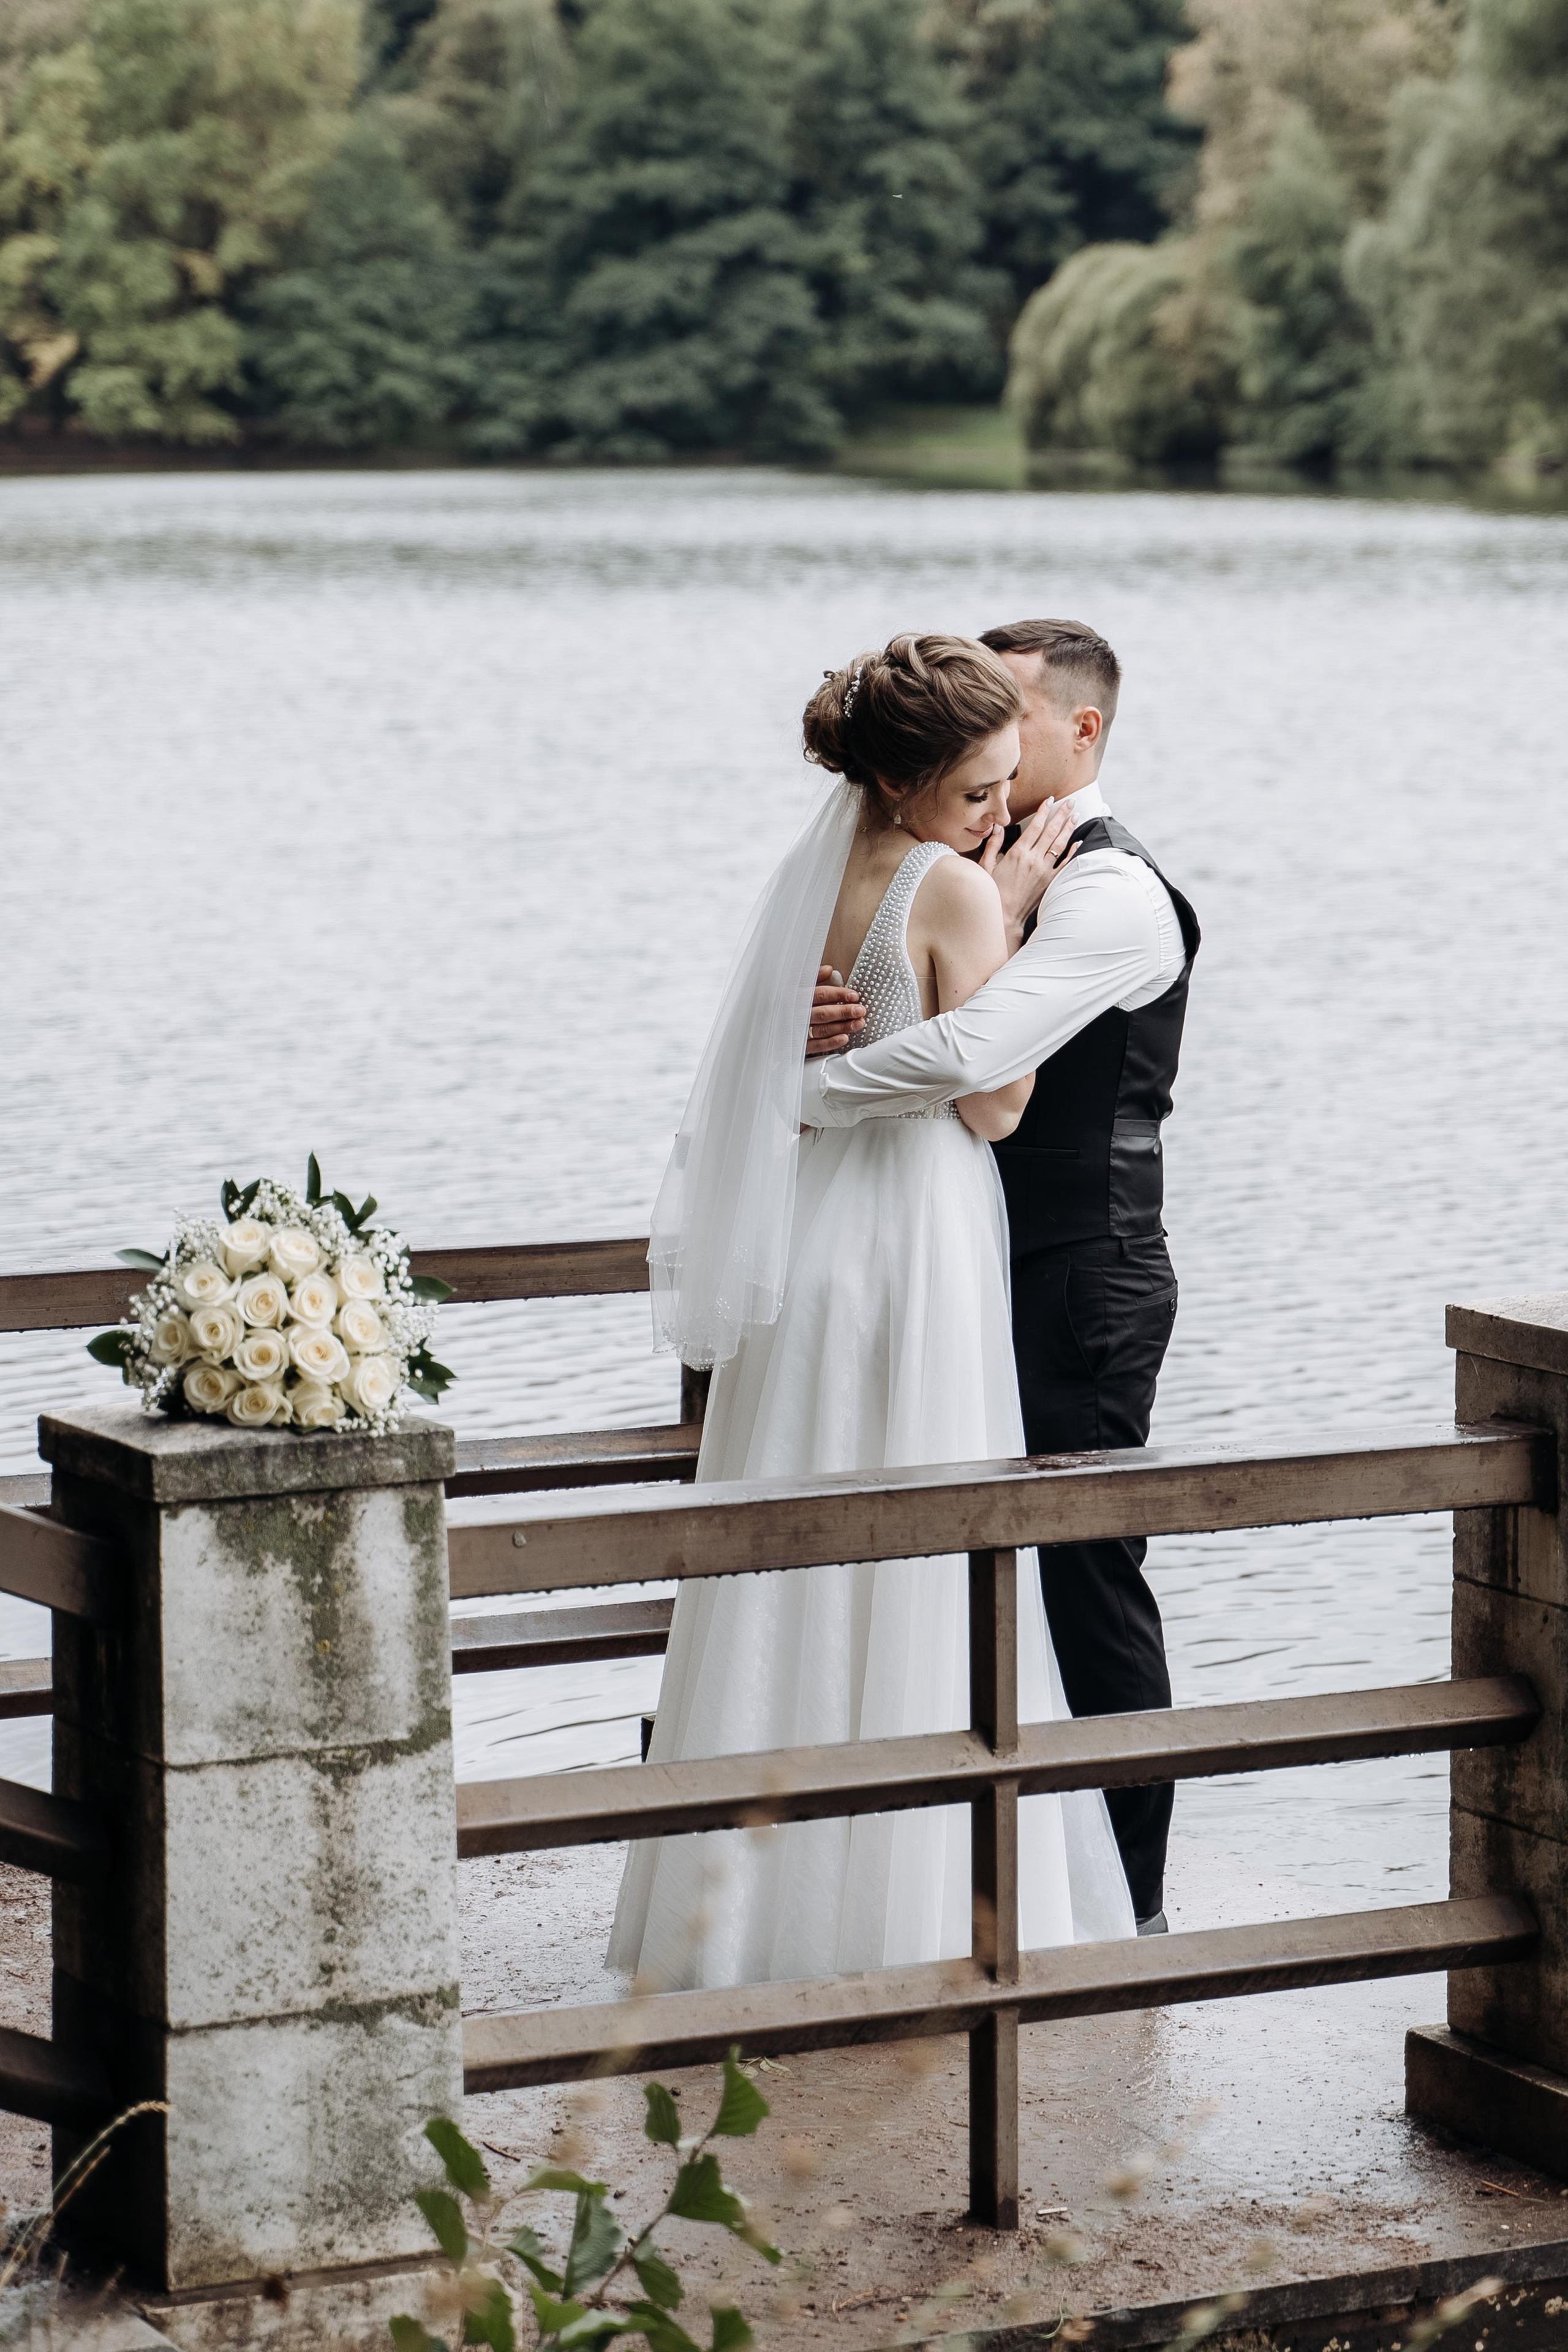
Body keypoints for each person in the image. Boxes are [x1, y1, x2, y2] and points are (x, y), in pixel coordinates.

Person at [609, 634, 1134, 1992]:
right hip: (917, 1240)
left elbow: (760, 1066)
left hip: (813, 1236)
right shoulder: (956, 890)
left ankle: (740, 1916)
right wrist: (1002, 920)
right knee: (921, 1542)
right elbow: (994, 1103)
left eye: (1006, 788)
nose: (997, 817)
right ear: (903, 782)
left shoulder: (810, 882)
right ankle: (901, 1915)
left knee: (789, 1533)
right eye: (974, 792)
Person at [801, 620, 1199, 1936]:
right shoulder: (939, 865)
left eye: (1009, 712)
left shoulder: (1109, 892)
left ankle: (1125, 1902)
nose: (984, 728)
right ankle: (954, 1875)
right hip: (950, 1268)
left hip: (1079, 1275)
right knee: (947, 1575)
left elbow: (973, 1053)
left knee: (1082, 1581)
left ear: (1075, 733)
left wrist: (797, 1093)